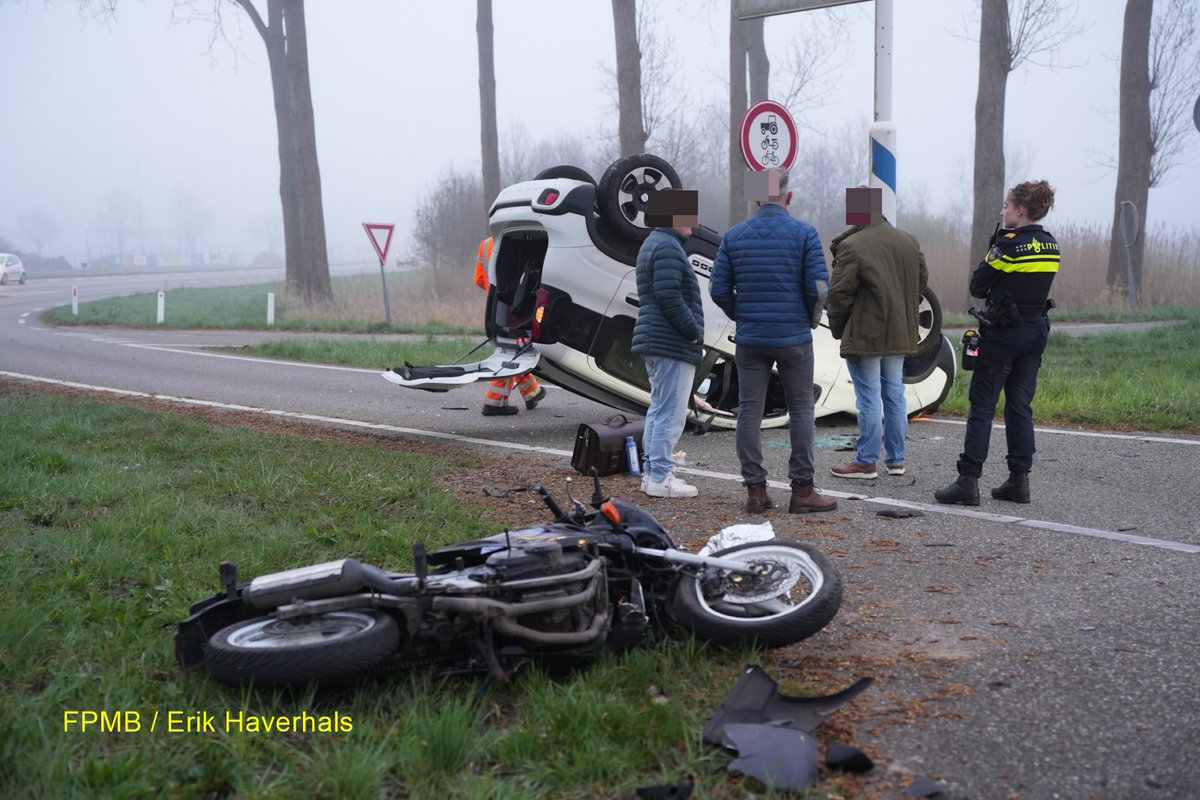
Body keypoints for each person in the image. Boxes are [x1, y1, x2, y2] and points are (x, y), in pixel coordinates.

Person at [710, 168, 837, 515]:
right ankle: (802, 490)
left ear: (755, 198)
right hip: (794, 337)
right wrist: (808, 320)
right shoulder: (805, 233)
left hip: (751, 339)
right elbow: (819, 289)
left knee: (749, 411)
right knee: (801, 410)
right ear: (788, 196)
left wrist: (743, 314)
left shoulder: (734, 237)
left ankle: (755, 491)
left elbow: (718, 289)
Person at [935, 180, 1060, 505]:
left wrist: (995, 252)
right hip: (1035, 332)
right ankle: (1019, 480)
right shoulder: (1051, 245)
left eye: (1006, 206)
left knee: (982, 405)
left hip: (1004, 334)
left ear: (1020, 209)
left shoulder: (1007, 246)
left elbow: (978, 285)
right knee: (1020, 405)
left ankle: (968, 481)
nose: (1002, 211)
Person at [826, 187, 928, 480]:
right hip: (900, 330)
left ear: (856, 210)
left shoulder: (853, 245)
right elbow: (921, 282)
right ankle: (896, 460)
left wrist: (838, 328)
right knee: (895, 394)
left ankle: (866, 461)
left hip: (865, 332)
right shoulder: (908, 240)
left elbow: (840, 294)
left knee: (869, 397)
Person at [632, 189, 705, 499]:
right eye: (686, 214)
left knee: (658, 409)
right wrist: (692, 332)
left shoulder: (655, 243)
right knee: (671, 413)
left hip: (656, 339)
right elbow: (669, 296)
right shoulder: (668, 248)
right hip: (670, 341)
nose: (694, 221)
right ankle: (661, 477)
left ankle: (652, 473)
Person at [473, 235, 546, 417]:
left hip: (494, 305)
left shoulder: (485, 244)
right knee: (511, 351)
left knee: (512, 349)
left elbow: (479, 279)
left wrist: (492, 293)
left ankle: (532, 393)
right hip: (514, 304)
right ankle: (494, 402)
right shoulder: (515, 239)